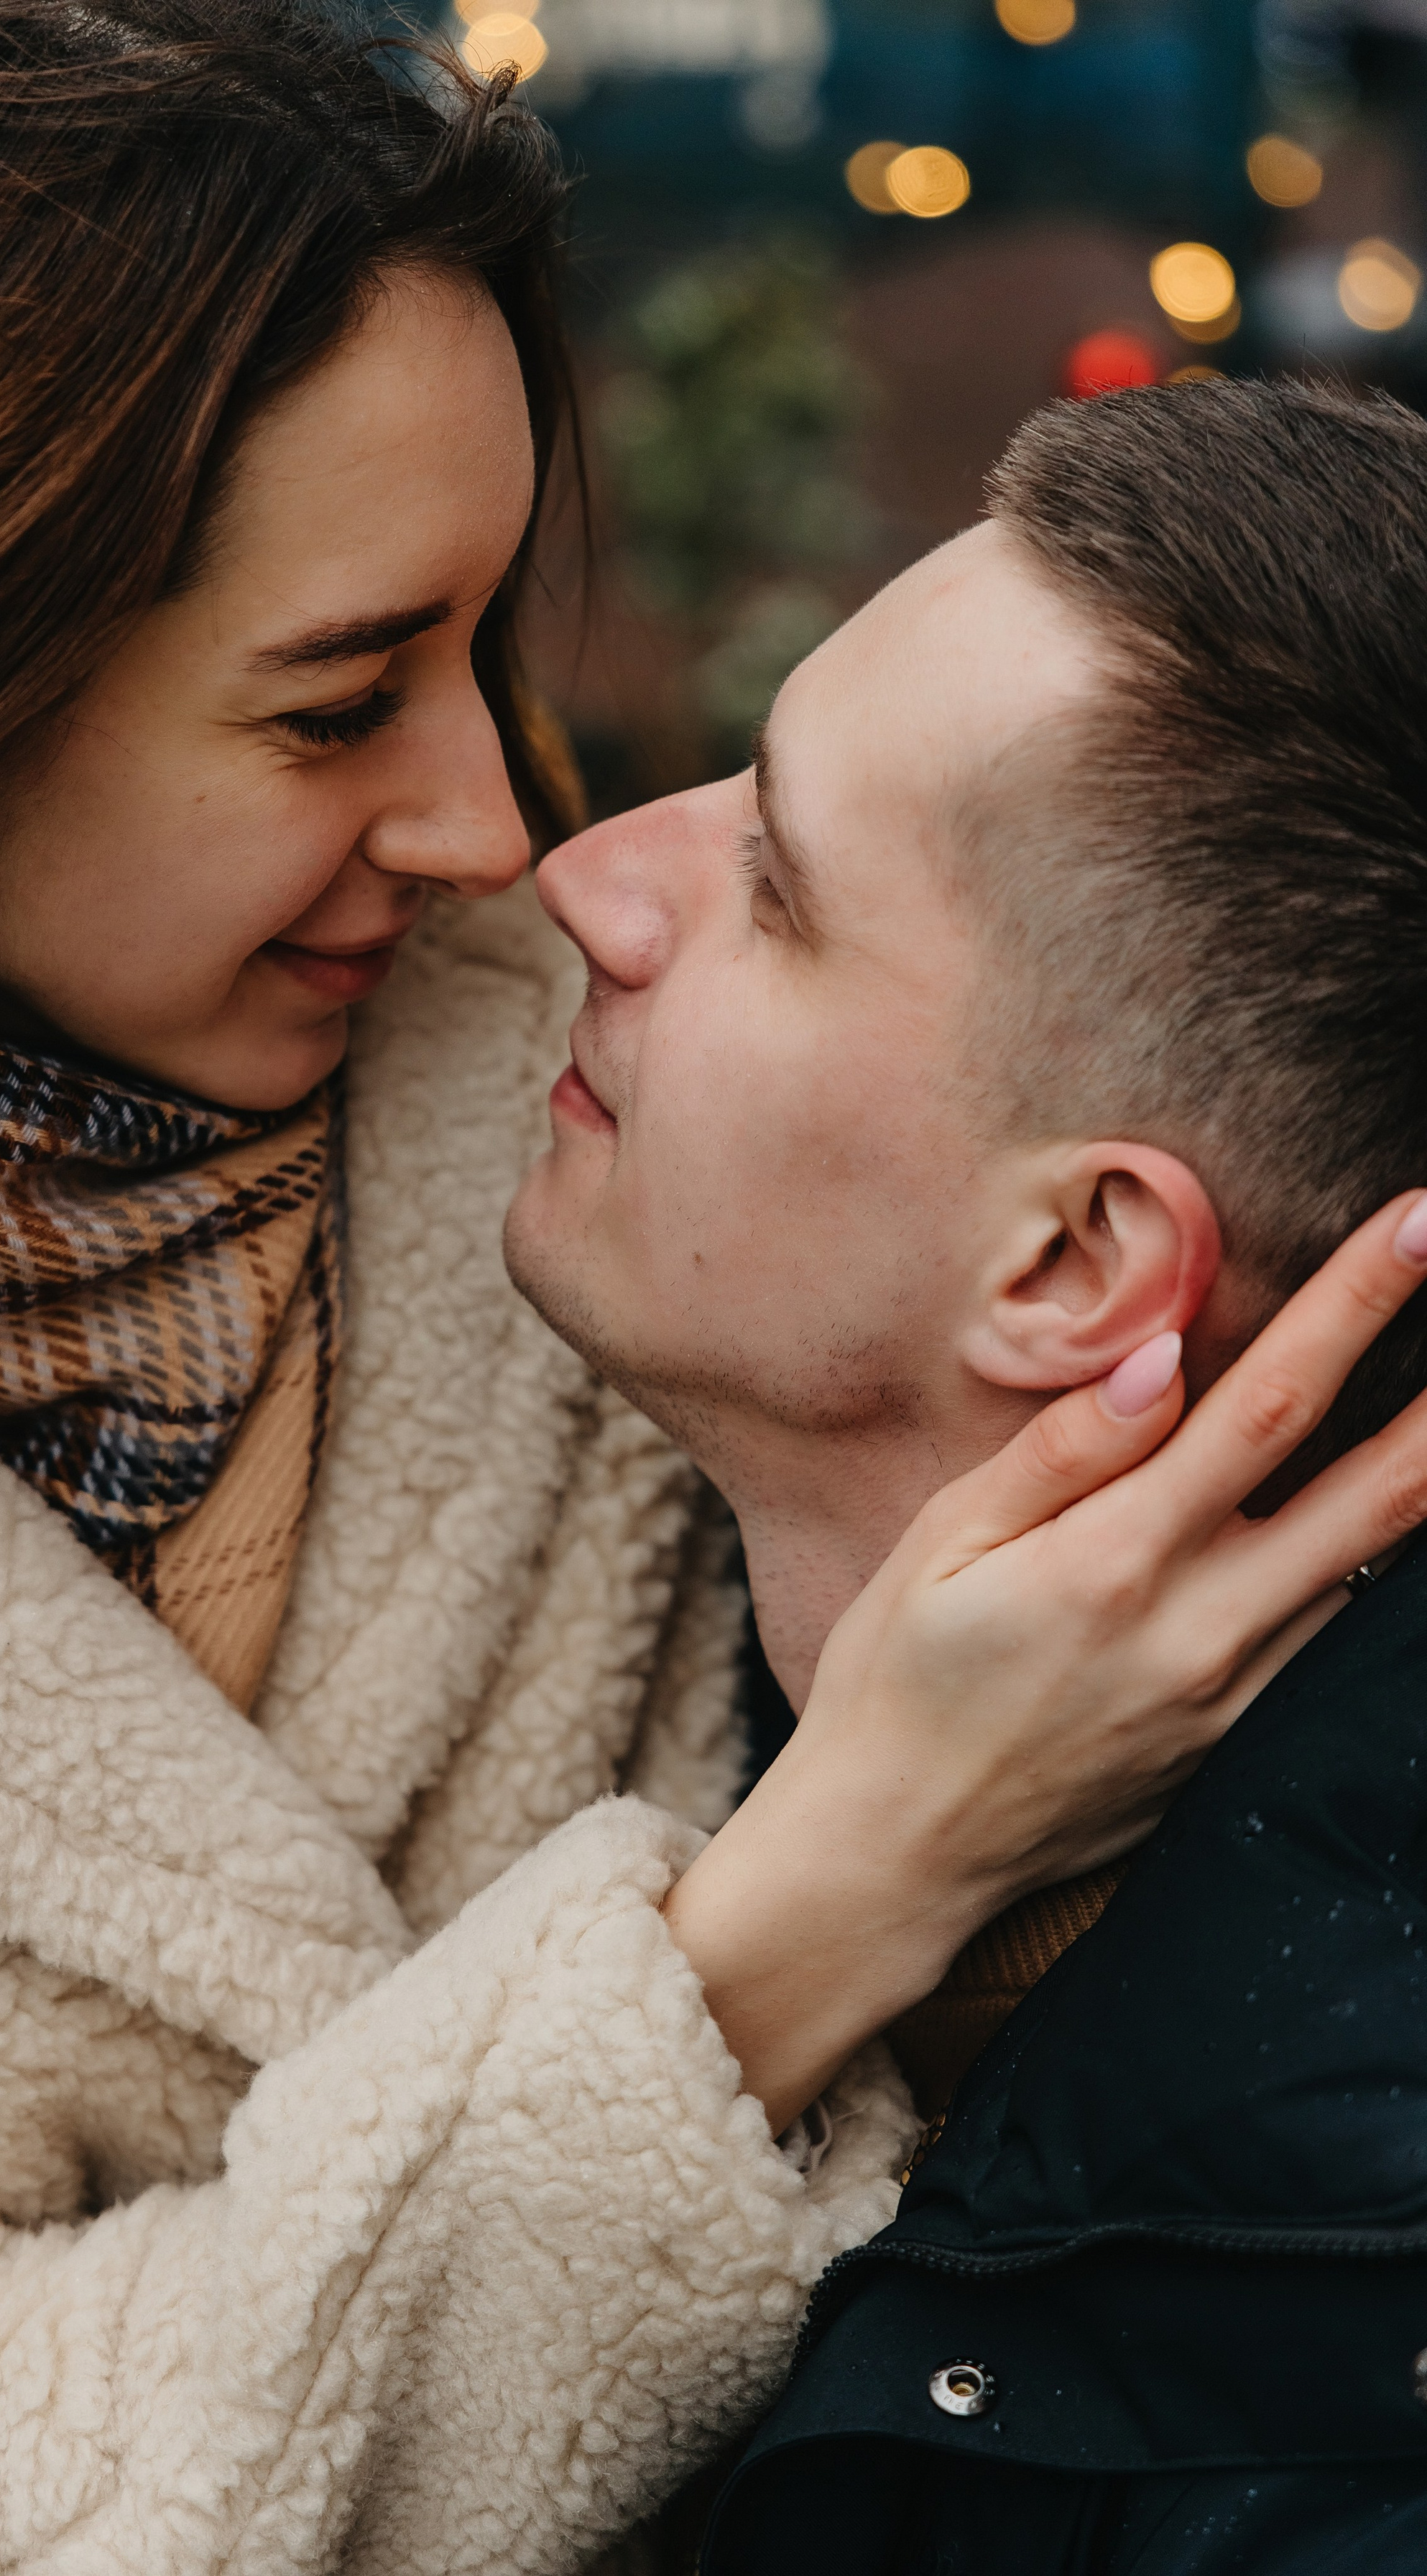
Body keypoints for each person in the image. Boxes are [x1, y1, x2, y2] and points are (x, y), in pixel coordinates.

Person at [0, 5, 1416, 2567]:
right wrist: (813, 1908)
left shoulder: (661, 1192)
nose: (501, 836)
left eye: (490, 661)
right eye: (341, 702)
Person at [499, 375, 1427, 2570]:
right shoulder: (584, 1652)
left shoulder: (1325, 2430)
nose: (584, 879)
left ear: (1076, 1262)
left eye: (773, 881)